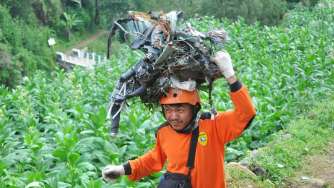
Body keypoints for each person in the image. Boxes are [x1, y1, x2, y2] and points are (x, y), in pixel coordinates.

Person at [102, 51, 256, 188]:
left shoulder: (214, 125)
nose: (173, 116)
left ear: (194, 108)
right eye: (168, 110)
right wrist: (121, 169)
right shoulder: (164, 133)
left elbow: (246, 113)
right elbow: (153, 159)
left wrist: (230, 76)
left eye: (180, 110)